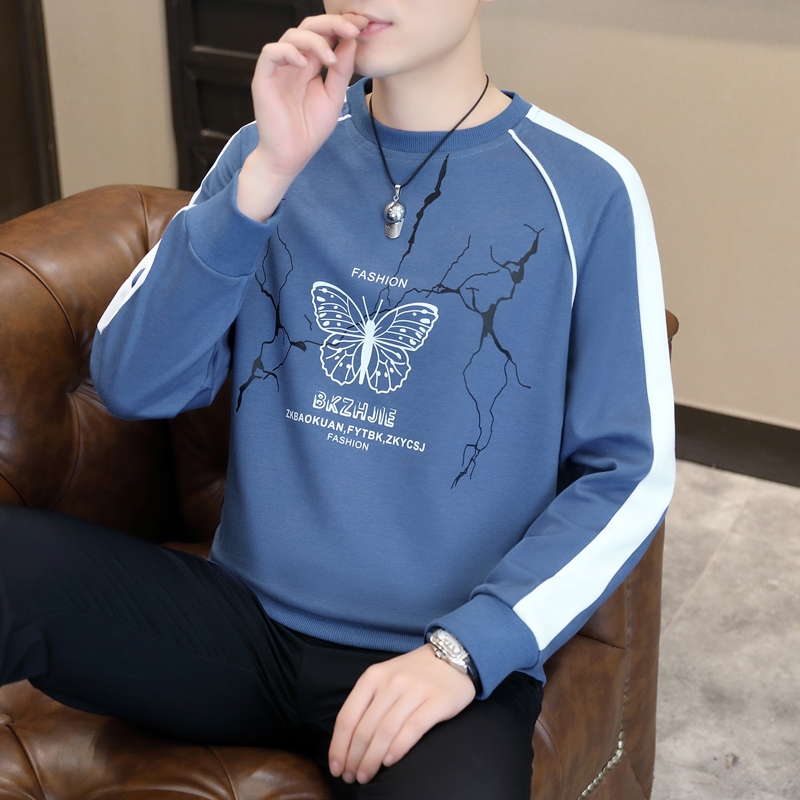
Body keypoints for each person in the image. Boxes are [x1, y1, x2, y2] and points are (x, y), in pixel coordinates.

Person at [0, 1, 675, 797]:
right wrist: (267, 176)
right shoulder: (264, 149)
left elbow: (629, 471)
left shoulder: (588, 188)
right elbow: (132, 380)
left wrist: (464, 652)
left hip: (429, 665)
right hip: (236, 630)